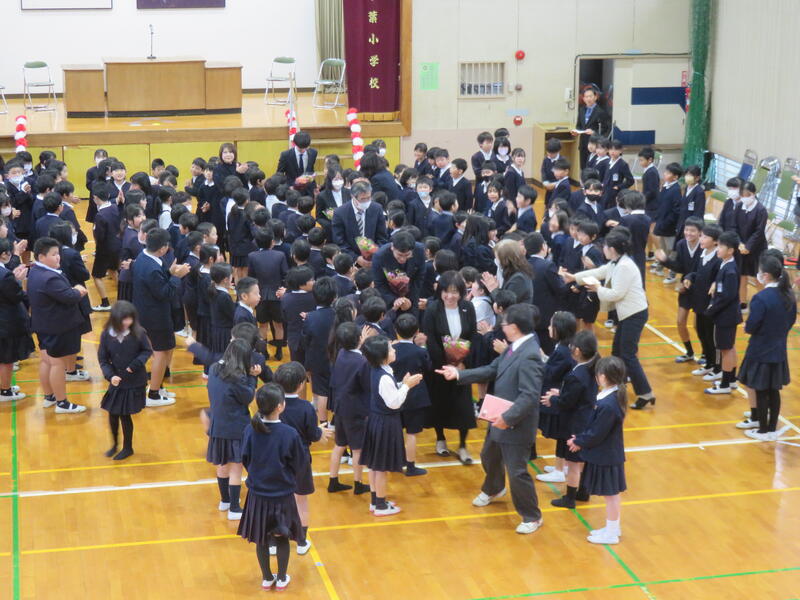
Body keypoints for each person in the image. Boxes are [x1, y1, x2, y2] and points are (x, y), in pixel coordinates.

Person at [437, 303, 544, 534]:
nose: (501, 326)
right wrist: (459, 374)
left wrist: (508, 418)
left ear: (514, 327)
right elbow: (492, 369)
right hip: (499, 416)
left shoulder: (530, 355)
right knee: (489, 455)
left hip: (515, 423)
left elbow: (529, 396)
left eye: (504, 323)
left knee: (517, 472)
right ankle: (494, 487)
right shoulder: (514, 347)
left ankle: (532, 516)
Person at [564, 227, 655, 409]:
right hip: (628, 314)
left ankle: (645, 393)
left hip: (634, 314)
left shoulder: (624, 266)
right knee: (617, 351)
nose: (603, 249)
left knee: (628, 354)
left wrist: (597, 288)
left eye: (605, 246)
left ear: (612, 249)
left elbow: (616, 294)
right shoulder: (616, 262)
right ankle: (617, 386)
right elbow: (599, 272)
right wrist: (574, 277)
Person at [238, 383, 306, 592]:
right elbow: (299, 463)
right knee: (282, 536)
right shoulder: (289, 433)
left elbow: (245, 458)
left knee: (262, 538)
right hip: (282, 495)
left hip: (258, 494)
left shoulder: (250, 430)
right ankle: (282, 577)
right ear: (280, 406)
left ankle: (267, 578)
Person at [360, 335, 424, 516]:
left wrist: (402, 384)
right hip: (385, 423)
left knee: (374, 465)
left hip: (376, 420)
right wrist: (407, 386)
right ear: (382, 356)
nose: (394, 350)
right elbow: (394, 403)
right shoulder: (384, 377)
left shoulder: (379, 370)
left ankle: (375, 501)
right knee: (381, 467)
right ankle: (381, 506)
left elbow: (387, 393)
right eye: (390, 349)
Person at [567, 356, 627, 545]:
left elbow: (597, 432)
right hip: (607, 454)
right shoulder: (609, 398)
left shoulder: (608, 404)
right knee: (611, 496)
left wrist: (579, 441)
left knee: (611, 496)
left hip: (607, 456)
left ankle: (612, 533)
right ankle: (613, 528)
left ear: (603, 376)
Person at [273, 362, 332, 554]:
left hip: (277, 457)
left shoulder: (274, 405)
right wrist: (319, 431)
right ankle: (301, 541)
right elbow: (312, 434)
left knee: (277, 499)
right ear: (301, 385)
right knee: (301, 500)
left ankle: (274, 542)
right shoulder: (306, 407)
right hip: (300, 458)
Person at [27, 237, 89, 413]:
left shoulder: (35, 271)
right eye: (54, 254)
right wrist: (78, 291)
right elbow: (69, 297)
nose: (58, 257)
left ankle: (49, 396)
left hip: (43, 324)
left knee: (46, 361)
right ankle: (62, 403)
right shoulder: (49, 278)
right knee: (57, 364)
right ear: (41, 256)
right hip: (57, 327)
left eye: (58, 253)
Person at [737, 255, 796, 441]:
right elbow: (790, 321)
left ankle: (762, 430)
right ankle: (771, 429)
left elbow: (752, 325)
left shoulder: (761, 298)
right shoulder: (788, 295)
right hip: (778, 349)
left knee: (761, 390)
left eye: (760, 272)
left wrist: (748, 327)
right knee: (773, 390)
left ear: (767, 275)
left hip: (760, 349)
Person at [422, 271, 478, 464]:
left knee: (464, 407)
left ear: (461, 292)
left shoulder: (468, 307)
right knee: (439, 404)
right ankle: (440, 439)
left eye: (455, 291)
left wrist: (462, 362)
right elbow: (430, 340)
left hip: (461, 368)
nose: (450, 296)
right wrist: (445, 364)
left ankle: (463, 446)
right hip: (440, 368)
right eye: (446, 291)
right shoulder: (432, 309)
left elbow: (472, 336)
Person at [539, 330, 598, 509]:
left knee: (573, 464)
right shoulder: (590, 370)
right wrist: (561, 393)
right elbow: (577, 396)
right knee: (583, 460)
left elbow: (567, 403)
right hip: (587, 420)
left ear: (578, 351)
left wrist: (553, 399)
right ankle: (584, 491)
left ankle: (569, 498)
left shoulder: (576, 375)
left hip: (575, 424)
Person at [132, 227, 190, 406]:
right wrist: (177, 277)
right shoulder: (151, 268)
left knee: (165, 349)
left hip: (147, 312)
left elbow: (156, 284)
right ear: (163, 248)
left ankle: (158, 386)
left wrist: (170, 272)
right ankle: (154, 394)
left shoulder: (143, 257)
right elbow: (165, 293)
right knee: (160, 353)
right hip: (155, 316)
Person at [207, 339, 260, 521]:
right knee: (236, 468)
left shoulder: (214, 369)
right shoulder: (237, 378)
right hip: (235, 427)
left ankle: (225, 500)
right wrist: (253, 377)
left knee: (222, 464)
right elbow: (248, 397)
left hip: (217, 425)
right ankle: (235, 509)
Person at [97, 301, 153, 460]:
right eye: (124, 319)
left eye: (130, 319)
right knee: (112, 413)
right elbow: (103, 359)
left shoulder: (139, 332)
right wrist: (110, 375)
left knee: (124, 415)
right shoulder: (106, 334)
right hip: (117, 381)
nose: (128, 322)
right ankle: (114, 444)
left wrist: (134, 366)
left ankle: (128, 447)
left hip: (134, 381)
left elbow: (147, 351)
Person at [327, 322, 373, 495]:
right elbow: (367, 386)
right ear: (359, 338)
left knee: (339, 445)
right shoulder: (362, 362)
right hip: (356, 410)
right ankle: (358, 483)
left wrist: (361, 342)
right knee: (357, 448)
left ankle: (333, 481)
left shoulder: (341, 353)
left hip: (340, 406)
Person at [655, 216, 704, 362]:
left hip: (701, 288)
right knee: (680, 322)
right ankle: (689, 352)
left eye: (692, 231)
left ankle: (706, 353)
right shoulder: (681, 244)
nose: (688, 233)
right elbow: (680, 267)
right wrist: (665, 260)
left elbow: (702, 270)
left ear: (700, 233)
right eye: (686, 230)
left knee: (699, 326)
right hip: (685, 288)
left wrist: (689, 280)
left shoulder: (704, 246)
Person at [390, 313, 432, 477]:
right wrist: (423, 346)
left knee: (395, 432)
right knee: (411, 434)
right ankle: (411, 466)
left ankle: (394, 463)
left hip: (395, 395)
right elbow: (428, 368)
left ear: (396, 330)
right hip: (415, 397)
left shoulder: (391, 350)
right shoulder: (420, 351)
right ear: (416, 331)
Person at [704, 231, 742, 395]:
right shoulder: (725, 265)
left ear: (730, 250)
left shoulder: (730, 271)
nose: (717, 249)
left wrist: (710, 310)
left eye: (720, 246)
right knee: (729, 348)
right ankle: (732, 380)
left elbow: (727, 296)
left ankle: (725, 384)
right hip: (727, 315)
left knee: (726, 349)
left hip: (726, 316)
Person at [0, 238, 34, 402]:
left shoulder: (5, 274)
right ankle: (5, 391)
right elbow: (16, 296)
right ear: (4, 254)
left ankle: (4, 386)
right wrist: (19, 281)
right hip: (6, 321)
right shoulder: (5, 275)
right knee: (7, 359)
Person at [247, 226, 288, 357]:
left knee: (263, 325)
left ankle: (264, 352)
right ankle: (279, 352)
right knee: (279, 325)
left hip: (260, 296)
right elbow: (285, 275)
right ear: (272, 241)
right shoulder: (280, 255)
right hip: (277, 295)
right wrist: (284, 288)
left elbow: (251, 277)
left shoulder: (252, 256)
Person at [302, 277, 337, 424]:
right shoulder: (338, 314)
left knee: (322, 392)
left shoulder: (310, 317)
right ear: (334, 297)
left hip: (317, 359)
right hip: (336, 358)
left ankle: (323, 422)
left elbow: (305, 340)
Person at [331, 180, 388, 264]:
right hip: (351, 261)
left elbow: (382, 237)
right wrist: (356, 258)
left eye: (368, 198)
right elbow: (339, 242)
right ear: (353, 196)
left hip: (374, 259)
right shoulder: (340, 213)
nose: (366, 201)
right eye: (363, 199)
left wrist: (375, 254)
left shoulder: (377, 208)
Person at [371, 230, 425, 316]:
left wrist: (410, 299)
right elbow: (379, 284)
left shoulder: (420, 250)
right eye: (399, 255)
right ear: (392, 247)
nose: (403, 259)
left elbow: (419, 278)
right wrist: (395, 300)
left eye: (407, 255)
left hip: (411, 295)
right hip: (389, 297)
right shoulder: (380, 256)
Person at [734, 181, 768, 309]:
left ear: (753, 194)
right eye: (742, 194)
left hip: (757, 248)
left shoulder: (761, 210)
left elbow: (759, 232)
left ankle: (765, 304)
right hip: (741, 247)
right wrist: (739, 243)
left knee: (758, 277)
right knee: (742, 275)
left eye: (747, 194)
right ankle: (742, 302)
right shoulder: (739, 206)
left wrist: (748, 246)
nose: (744, 197)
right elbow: (734, 227)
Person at [90, 182, 121, 312]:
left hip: (104, 249)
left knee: (96, 275)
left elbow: (100, 236)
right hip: (117, 246)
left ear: (96, 198)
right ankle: (123, 296)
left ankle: (105, 303)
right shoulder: (115, 208)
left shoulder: (100, 215)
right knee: (113, 271)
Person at [481, 238, 534, 305]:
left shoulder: (519, 278)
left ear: (506, 259)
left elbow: (506, 304)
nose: (496, 260)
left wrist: (493, 289)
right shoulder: (510, 272)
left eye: (497, 258)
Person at [574, 86, 611, 168]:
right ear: (583, 99)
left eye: (590, 96)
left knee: (593, 167)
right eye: (586, 97)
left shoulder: (601, 111)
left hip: (595, 144)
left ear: (595, 97)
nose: (588, 99)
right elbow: (579, 125)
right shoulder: (581, 110)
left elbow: (605, 128)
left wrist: (594, 132)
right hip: (583, 144)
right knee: (583, 167)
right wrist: (576, 131)